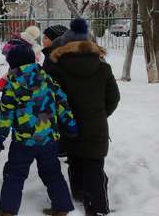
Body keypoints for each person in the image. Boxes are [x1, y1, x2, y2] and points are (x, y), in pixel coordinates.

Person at [0, 41, 78, 216]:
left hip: (24, 141)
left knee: (14, 174)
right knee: (52, 173)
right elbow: (62, 102)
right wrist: (70, 124)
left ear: (13, 64)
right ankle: (61, 207)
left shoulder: (13, 84)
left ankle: (7, 210)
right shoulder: (47, 78)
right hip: (48, 139)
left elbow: (6, 114)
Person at [47, 19, 120, 216]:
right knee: (94, 166)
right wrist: (100, 114)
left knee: (74, 159)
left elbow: (49, 98)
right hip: (96, 126)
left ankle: (78, 191)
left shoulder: (55, 68)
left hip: (67, 125)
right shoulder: (103, 68)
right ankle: (97, 208)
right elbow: (113, 98)